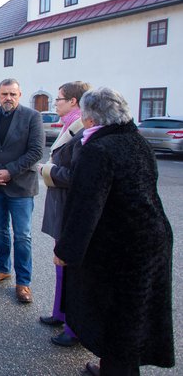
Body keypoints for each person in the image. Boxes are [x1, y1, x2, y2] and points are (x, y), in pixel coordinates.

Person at [54, 88, 174, 376]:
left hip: (122, 248)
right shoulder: (137, 142)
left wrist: (66, 251)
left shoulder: (98, 150)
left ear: (91, 119)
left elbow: (86, 207)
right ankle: (113, 366)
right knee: (134, 316)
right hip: (151, 239)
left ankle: (117, 370)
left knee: (120, 319)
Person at [0, 78, 44, 303]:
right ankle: (2, 269)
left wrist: (9, 172)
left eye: (13, 94)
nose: (8, 98)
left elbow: (35, 151)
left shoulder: (32, 117)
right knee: (0, 231)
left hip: (21, 185)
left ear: (20, 95)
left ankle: (23, 282)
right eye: (4, 94)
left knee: (22, 235)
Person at [37, 81, 90, 346]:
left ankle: (74, 328)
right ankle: (60, 313)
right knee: (60, 265)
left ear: (74, 102)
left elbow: (76, 175)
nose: (54, 103)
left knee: (69, 266)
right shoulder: (70, 127)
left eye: (58, 99)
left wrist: (46, 170)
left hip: (71, 208)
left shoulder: (82, 132)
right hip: (62, 206)